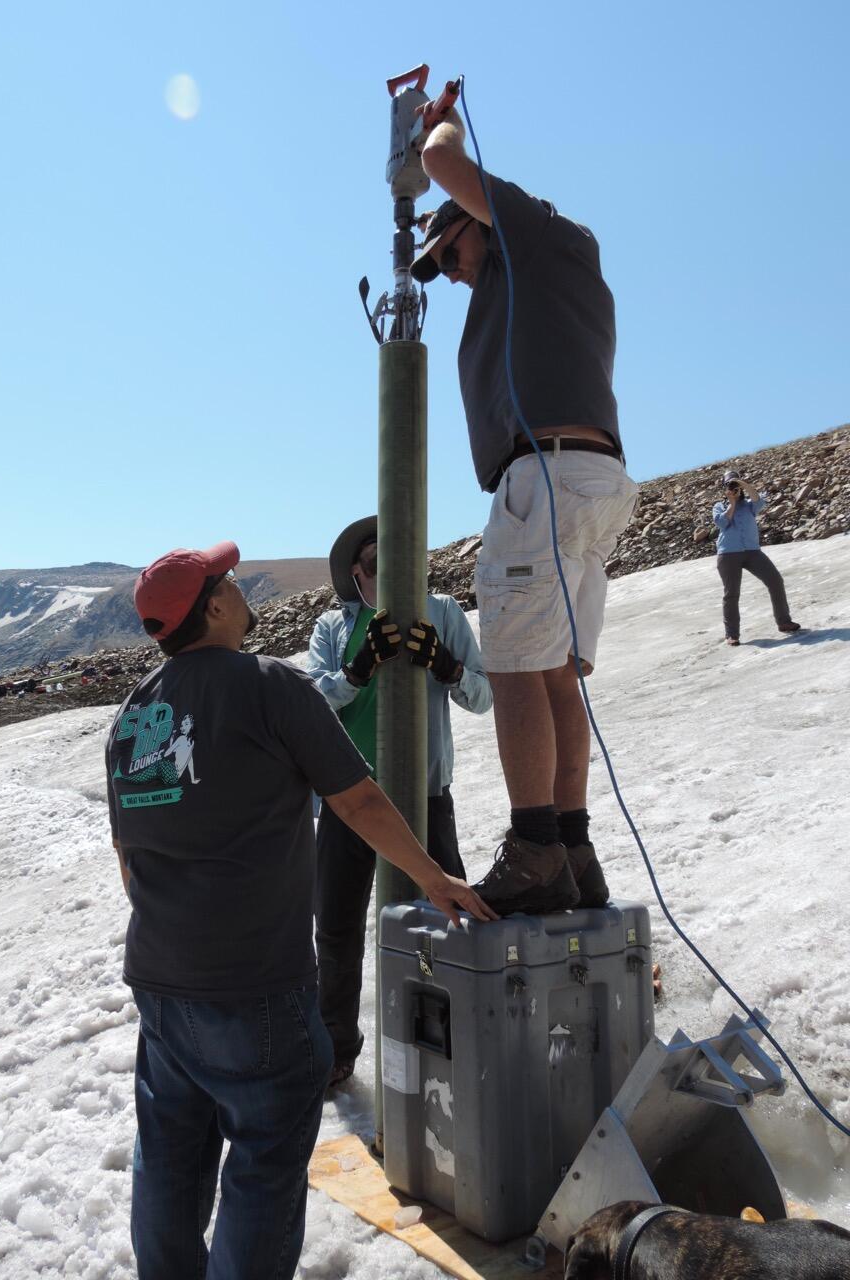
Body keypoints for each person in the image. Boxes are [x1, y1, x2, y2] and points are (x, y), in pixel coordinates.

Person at [106, 542, 495, 1280]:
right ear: (215, 606)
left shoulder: (134, 710)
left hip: (159, 982)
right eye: (229, 581)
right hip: (255, 984)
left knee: (169, 1156)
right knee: (261, 1161)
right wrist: (433, 877)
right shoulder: (269, 685)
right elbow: (357, 800)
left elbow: (128, 854)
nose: (242, 587)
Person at [408, 110, 638, 917]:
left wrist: (438, 128)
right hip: (588, 476)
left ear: (483, 223)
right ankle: (570, 845)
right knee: (552, 670)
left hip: (544, 479)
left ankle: (536, 845)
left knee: (509, 663)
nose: (457, 272)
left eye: (455, 252)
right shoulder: (549, 270)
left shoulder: (537, 237)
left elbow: (442, 165)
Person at [306, 515, 492, 1086]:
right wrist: (356, 670)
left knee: (445, 914)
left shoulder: (444, 614)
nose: (388, 576)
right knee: (336, 928)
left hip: (425, 796)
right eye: (374, 566)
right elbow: (312, 704)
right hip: (348, 802)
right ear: (355, 577)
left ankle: (456, 1031)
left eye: (398, 562)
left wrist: (448, 666)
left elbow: (484, 696)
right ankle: (337, 1048)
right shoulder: (334, 629)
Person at [712, 469, 801, 646]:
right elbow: (722, 523)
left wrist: (742, 483)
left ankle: (784, 622)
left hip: (753, 551)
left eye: (735, 484)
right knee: (731, 594)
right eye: (729, 484)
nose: (733, 487)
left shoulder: (749, 505)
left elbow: (759, 500)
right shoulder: (719, 506)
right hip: (728, 554)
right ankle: (732, 634)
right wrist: (731, 502)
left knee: (775, 580)